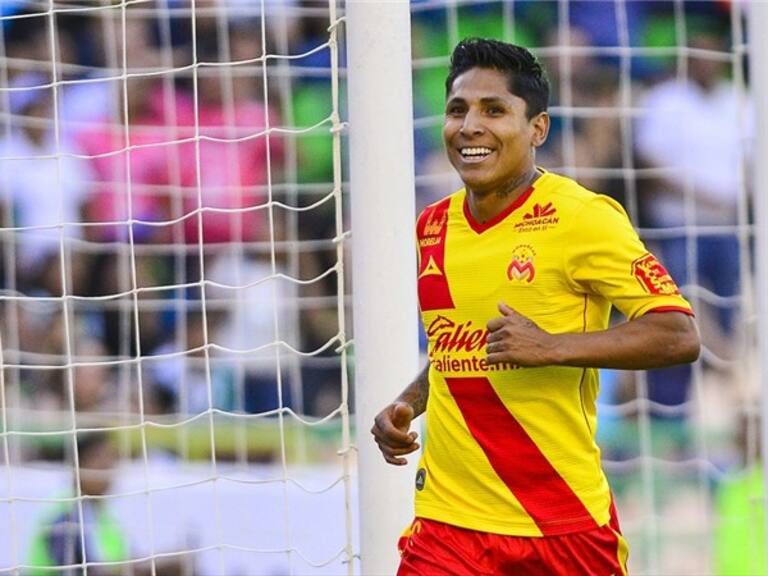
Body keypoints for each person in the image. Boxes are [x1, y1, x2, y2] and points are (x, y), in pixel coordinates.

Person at [371, 38, 700, 575]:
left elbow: (678, 334)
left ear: (538, 129)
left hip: (560, 524)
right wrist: (408, 402)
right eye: (458, 110)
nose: (470, 126)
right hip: (448, 525)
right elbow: (461, 347)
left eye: (494, 110)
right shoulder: (432, 226)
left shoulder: (583, 217)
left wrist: (551, 347)